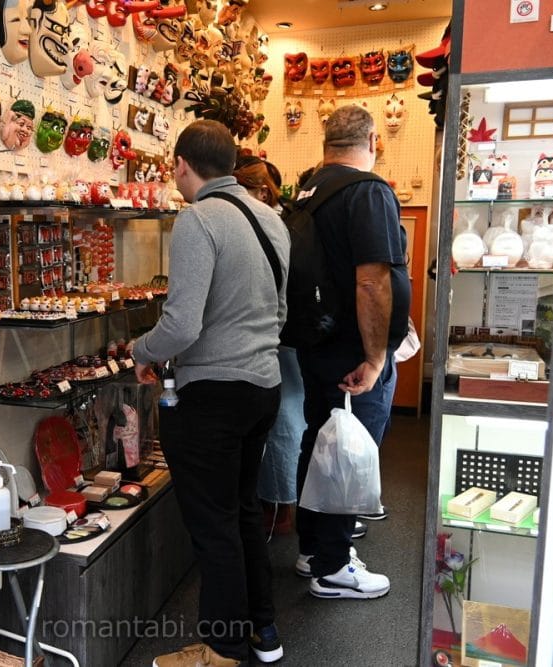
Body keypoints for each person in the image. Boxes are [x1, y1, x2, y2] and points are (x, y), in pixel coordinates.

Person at [134, 120, 289, 667]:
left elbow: (181, 326)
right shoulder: (271, 219)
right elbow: (280, 312)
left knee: (214, 525)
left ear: (181, 164)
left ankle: (221, 650)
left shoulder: (198, 219)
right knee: (244, 511)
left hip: (212, 398)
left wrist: (139, 351)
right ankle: (261, 631)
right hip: (263, 387)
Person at [292, 105, 410, 599]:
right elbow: (372, 281)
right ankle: (334, 567)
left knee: (319, 442)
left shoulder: (307, 190)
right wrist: (377, 356)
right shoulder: (368, 191)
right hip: (352, 353)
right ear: (374, 139)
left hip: (316, 342)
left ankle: (312, 549)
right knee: (347, 451)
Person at [232, 155, 296, 536]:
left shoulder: (269, 223)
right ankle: (275, 509)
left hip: (266, 352)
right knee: (280, 426)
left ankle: (277, 511)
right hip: (274, 347)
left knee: (282, 428)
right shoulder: (279, 224)